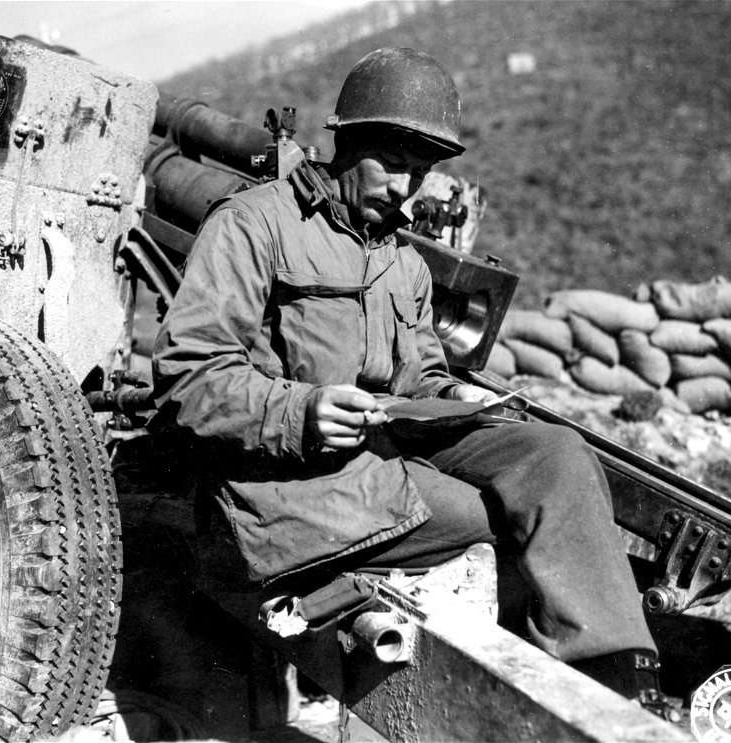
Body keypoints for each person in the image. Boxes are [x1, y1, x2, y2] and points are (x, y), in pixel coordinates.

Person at [150, 47, 674, 719]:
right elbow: (187, 377)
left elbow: (418, 369)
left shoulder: (401, 260)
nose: (406, 189)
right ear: (345, 143)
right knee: (502, 518)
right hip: (291, 481)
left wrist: (451, 395)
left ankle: (621, 688)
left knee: (555, 455)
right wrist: (302, 411)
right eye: (393, 164)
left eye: (419, 172)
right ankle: (544, 705)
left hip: (385, 450)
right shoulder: (255, 226)